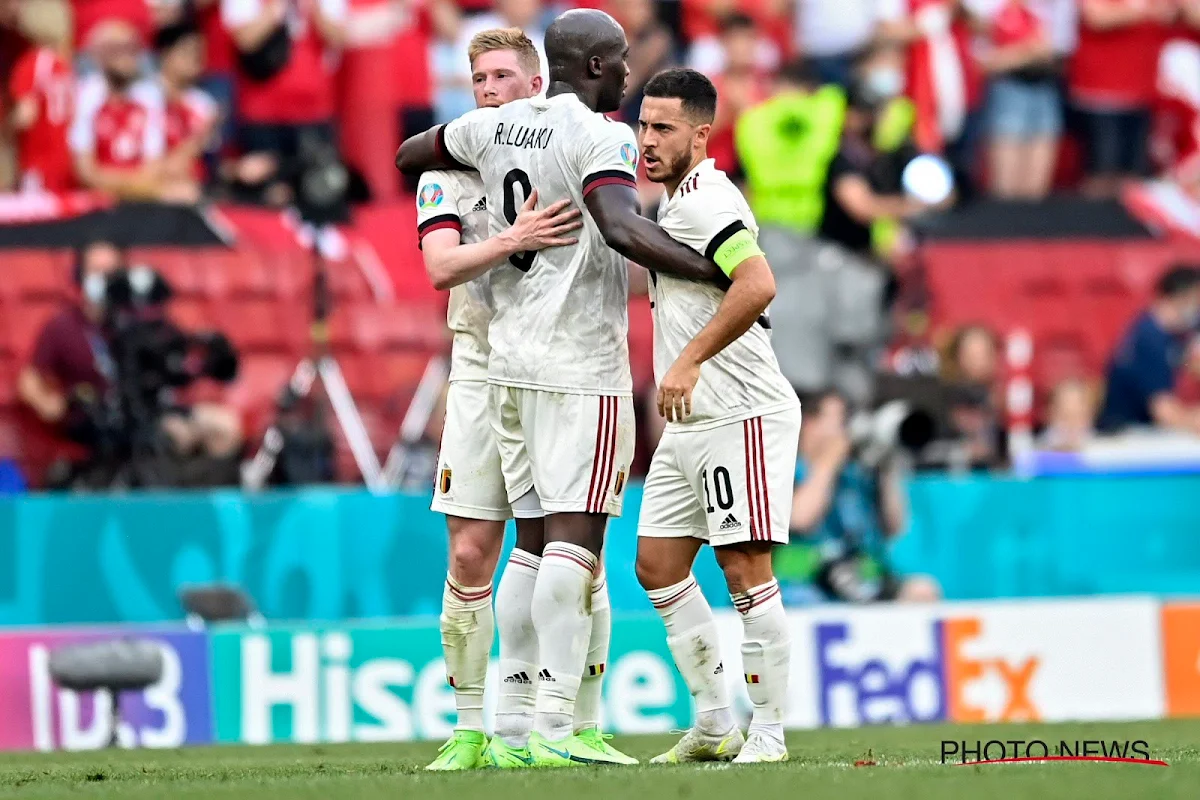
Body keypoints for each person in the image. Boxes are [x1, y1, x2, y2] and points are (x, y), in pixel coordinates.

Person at [396, 7, 728, 767]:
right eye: (616, 61)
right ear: (590, 67)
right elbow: (617, 224)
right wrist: (710, 269)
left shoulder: (488, 133)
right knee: (576, 547)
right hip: (578, 366)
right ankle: (554, 726)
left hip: (508, 364)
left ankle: (514, 727)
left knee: (533, 547)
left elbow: (413, 150)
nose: (625, 74)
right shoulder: (599, 134)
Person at [414, 27, 588, 772]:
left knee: (570, 549)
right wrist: (511, 238)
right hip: (481, 365)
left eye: (501, 76)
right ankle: (468, 726)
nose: (486, 89)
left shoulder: (567, 149)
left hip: (561, 365)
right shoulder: (444, 173)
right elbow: (440, 267)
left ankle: (567, 721)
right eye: (477, 78)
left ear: (535, 81)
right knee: (471, 549)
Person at [632, 68, 801, 765]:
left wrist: (688, 359)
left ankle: (768, 730)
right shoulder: (675, 202)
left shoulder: (707, 199)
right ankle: (712, 721)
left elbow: (758, 282)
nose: (647, 140)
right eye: (643, 125)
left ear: (701, 135)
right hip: (693, 419)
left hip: (741, 409)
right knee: (657, 565)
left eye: (664, 128)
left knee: (744, 567)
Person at [787, 389, 940, 603]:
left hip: (865, 587)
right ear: (810, 424)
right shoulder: (787, 471)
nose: (848, 429)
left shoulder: (857, 475)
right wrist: (829, 460)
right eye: (841, 420)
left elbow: (894, 527)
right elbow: (800, 519)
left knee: (922, 591)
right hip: (805, 590)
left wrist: (887, 466)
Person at [70, 20, 197, 203]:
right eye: (119, 49)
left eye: (133, 48)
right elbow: (85, 173)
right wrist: (141, 186)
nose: (128, 56)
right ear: (99, 55)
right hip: (97, 201)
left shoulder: (149, 97)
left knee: (187, 193)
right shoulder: (86, 97)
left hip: (139, 198)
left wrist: (121, 185)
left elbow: (153, 168)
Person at [1098, 265, 1200, 434]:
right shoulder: (1149, 338)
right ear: (1182, 298)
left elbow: (1192, 366)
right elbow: (1163, 411)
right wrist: (1192, 419)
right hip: (1127, 432)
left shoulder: (1175, 335)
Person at [7, 0, 75, 192]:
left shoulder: (31, 64)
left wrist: (7, 131)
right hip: (65, 159)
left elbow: (25, 116)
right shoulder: (64, 64)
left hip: (38, 162)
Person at [156, 21, 220, 184]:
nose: (194, 59)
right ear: (165, 53)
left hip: (195, 184)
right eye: (187, 51)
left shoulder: (204, 104)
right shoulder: (143, 98)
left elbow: (210, 159)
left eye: (199, 53)